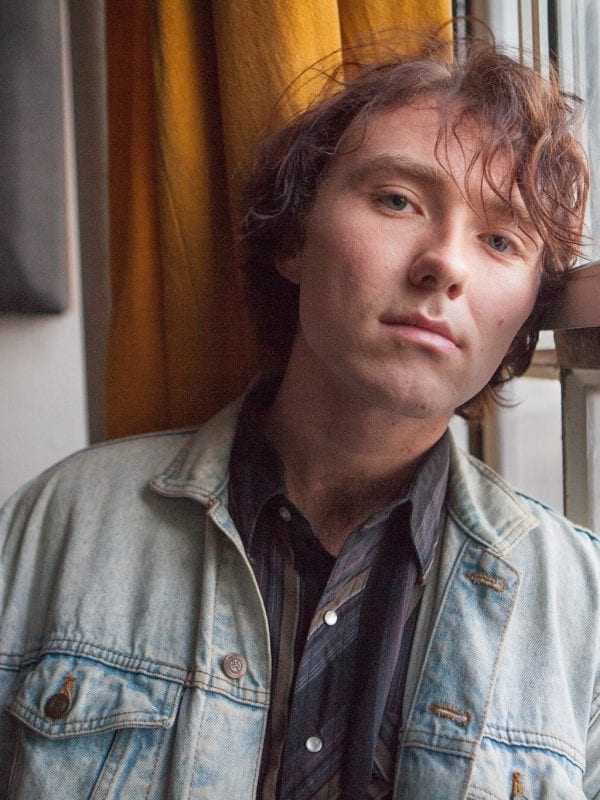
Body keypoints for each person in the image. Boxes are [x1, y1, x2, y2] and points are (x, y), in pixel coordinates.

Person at [0, 31, 597, 799]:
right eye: (397, 200)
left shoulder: (581, 607)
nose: (445, 263)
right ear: (294, 241)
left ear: (523, 320)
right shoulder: (60, 525)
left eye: (501, 240)